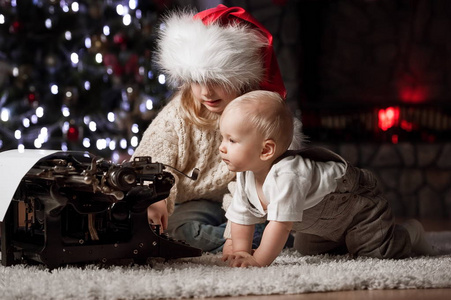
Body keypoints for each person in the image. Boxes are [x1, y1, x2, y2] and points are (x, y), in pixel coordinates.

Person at [132, 5, 302, 253]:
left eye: (218, 81)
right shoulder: (180, 112)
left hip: (248, 201)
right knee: (178, 229)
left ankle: (268, 238)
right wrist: (155, 199)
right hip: (196, 202)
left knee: (273, 220)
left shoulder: (257, 114)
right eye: (197, 80)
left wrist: (238, 226)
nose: (206, 92)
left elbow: (264, 181)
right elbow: (155, 158)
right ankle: (270, 241)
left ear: (241, 78)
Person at [219, 90, 440, 267]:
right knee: (306, 249)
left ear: (266, 150)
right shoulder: (247, 175)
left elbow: (280, 226)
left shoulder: (288, 175)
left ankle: (410, 233)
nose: (222, 147)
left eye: (232, 140)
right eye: (222, 138)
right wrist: (240, 251)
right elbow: (242, 216)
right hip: (323, 225)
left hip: (357, 208)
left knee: (376, 255)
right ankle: (349, 241)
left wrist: (258, 261)